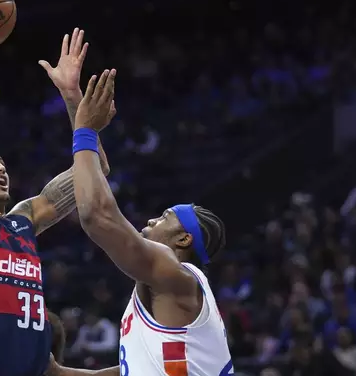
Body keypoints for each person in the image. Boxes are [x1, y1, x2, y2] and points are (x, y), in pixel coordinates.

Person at [0, 0, 109, 376]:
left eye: (2, 161)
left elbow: (94, 172)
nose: (0, 167)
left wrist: (72, 98)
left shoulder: (24, 221)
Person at [48, 70, 232, 375]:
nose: (151, 219)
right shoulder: (169, 296)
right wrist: (74, 102)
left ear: (183, 239)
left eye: (165, 217)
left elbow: (97, 215)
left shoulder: (176, 274)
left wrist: (84, 128)